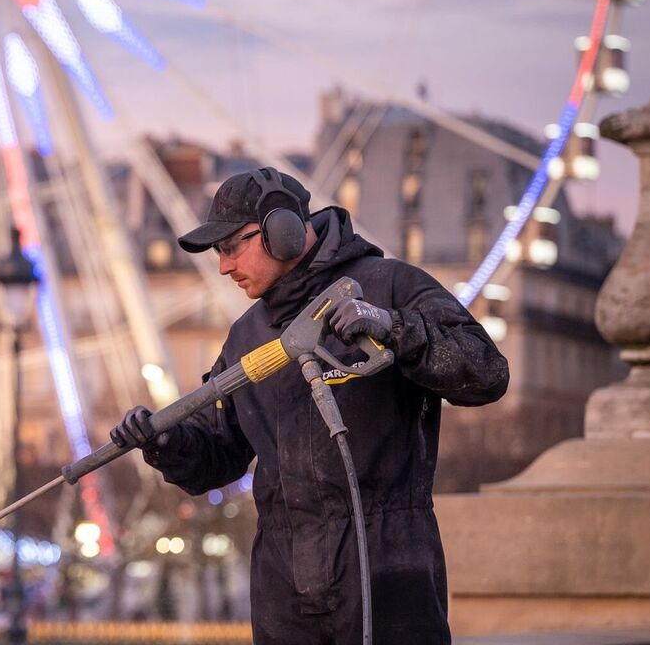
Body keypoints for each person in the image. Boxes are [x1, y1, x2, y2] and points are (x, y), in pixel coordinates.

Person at [110, 167, 508, 644]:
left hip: (386, 567)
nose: (223, 266)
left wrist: (394, 328)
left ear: (284, 229)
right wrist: (165, 440)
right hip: (283, 587)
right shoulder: (247, 336)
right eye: (218, 253)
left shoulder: (391, 286)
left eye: (232, 246)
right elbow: (217, 457)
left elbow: (486, 372)